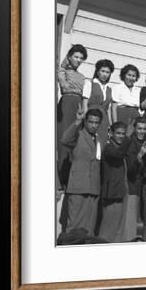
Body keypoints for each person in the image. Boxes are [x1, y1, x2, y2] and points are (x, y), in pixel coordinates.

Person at [59, 107, 103, 237]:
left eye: (96, 123)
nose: (94, 125)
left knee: (89, 228)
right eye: (91, 122)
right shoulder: (78, 134)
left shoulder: (98, 139)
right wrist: (77, 121)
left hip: (93, 189)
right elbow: (65, 140)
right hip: (78, 187)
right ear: (86, 121)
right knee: (74, 227)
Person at [56, 44, 88, 190]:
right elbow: (63, 84)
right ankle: (60, 179)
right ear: (69, 57)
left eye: (81, 58)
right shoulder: (64, 71)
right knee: (63, 139)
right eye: (76, 56)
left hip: (78, 105)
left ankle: (70, 178)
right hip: (67, 103)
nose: (78, 60)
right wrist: (63, 78)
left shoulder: (82, 77)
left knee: (74, 140)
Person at [98, 121, 131, 243]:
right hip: (112, 193)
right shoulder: (108, 147)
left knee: (118, 228)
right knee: (108, 228)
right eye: (118, 133)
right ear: (111, 133)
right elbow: (117, 155)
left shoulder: (120, 147)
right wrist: (128, 137)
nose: (121, 136)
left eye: (123, 134)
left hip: (121, 191)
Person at [124, 117, 146, 241]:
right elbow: (131, 169)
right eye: (139, 128)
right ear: (134, 129)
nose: (142, 131)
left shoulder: (144, 142)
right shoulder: (131, 143)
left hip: (140, 187)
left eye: (144, 129)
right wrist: (139, 157)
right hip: (132, 187)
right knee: (130, 225)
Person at [82, 59, 114, 146]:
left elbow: (108, 110)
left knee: (101, 142)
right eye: (102, 71)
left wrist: (111, 125)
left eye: (107, 72)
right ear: (97, 71)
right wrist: (85, 120)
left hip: (103, 120)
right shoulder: (90, 84)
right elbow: (85, 103)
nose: (105, 74)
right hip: (91, 118)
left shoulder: (109, 89)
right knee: (89, 142)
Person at [111, 64, 141, 136]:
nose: (131, 78)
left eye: (133, 76)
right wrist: (115, 125)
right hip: (122, 116)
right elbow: (113, 108)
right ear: (124, 75)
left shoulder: (138, 90)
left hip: (134, 118)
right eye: (129, 75)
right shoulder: (118, 87)